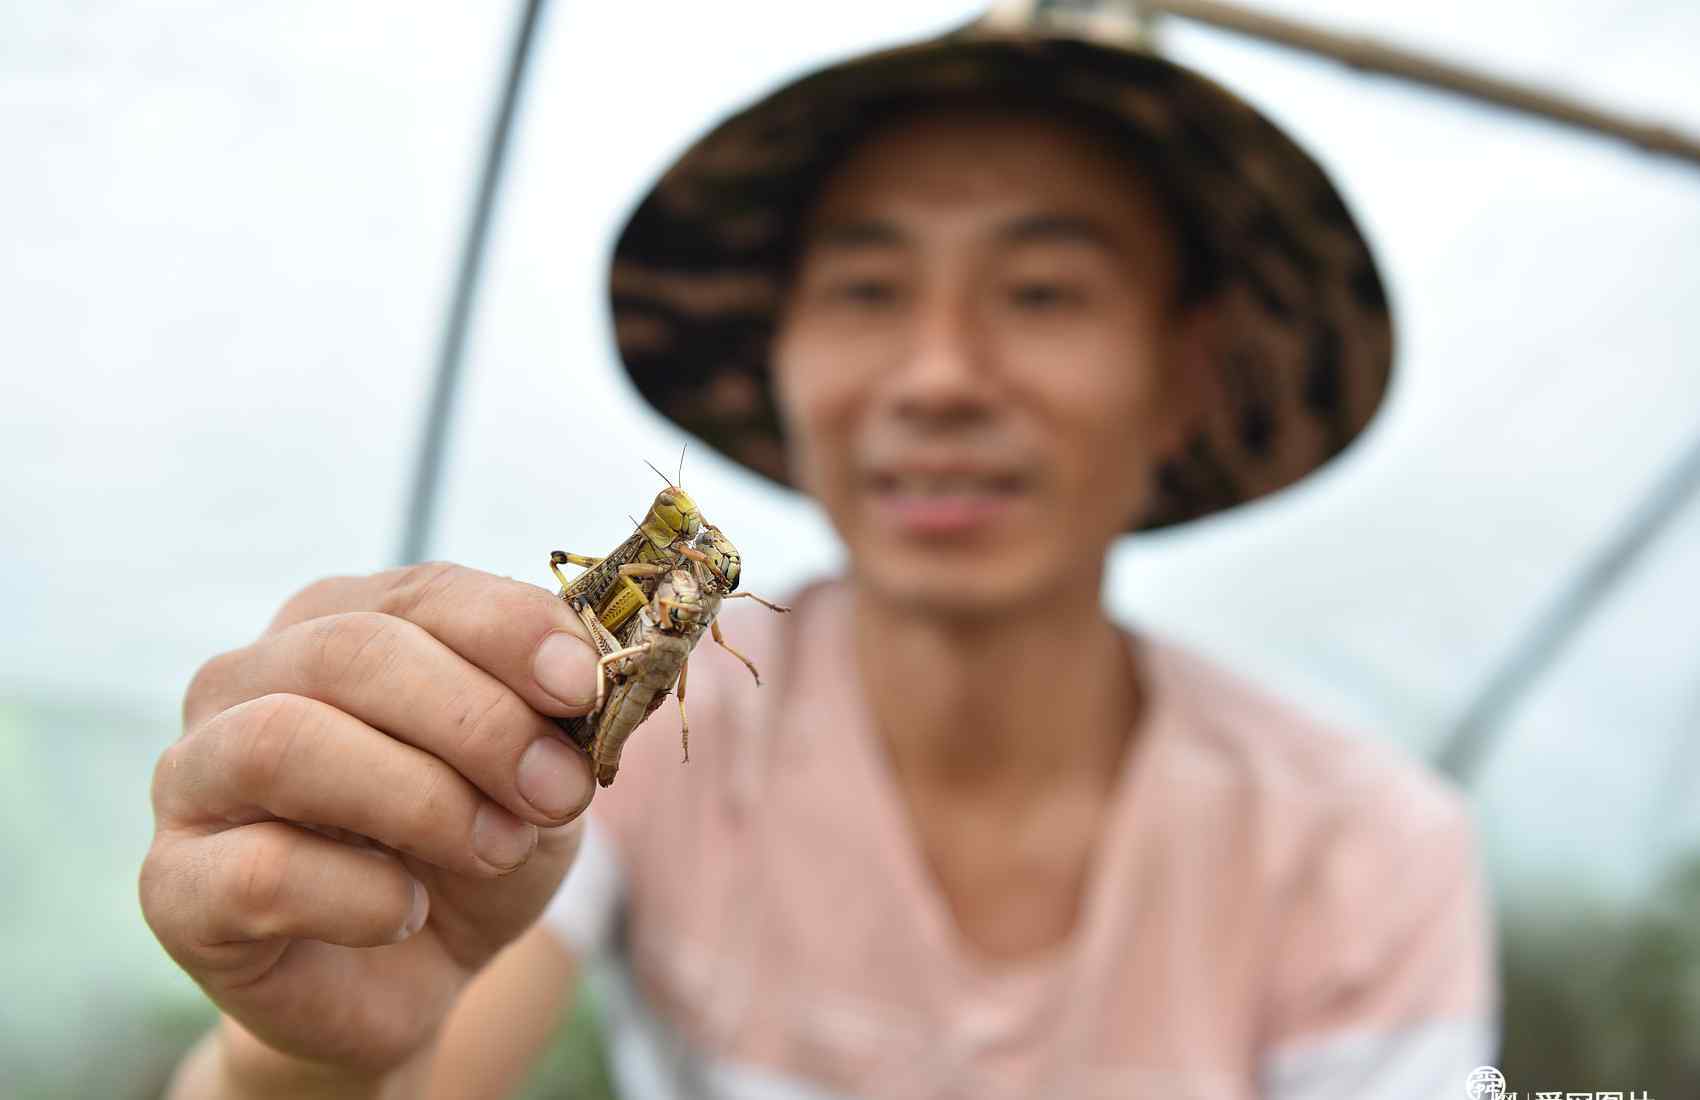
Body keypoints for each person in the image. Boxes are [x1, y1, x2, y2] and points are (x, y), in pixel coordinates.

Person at [141, 10, 1498, 1099]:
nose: (942, 376)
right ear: (780, 351)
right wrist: (313, 1059)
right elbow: (403, 1032)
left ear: (1186, 375)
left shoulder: (1372, 854)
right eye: (866, 288)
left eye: (1043, 292)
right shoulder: (598, 750)